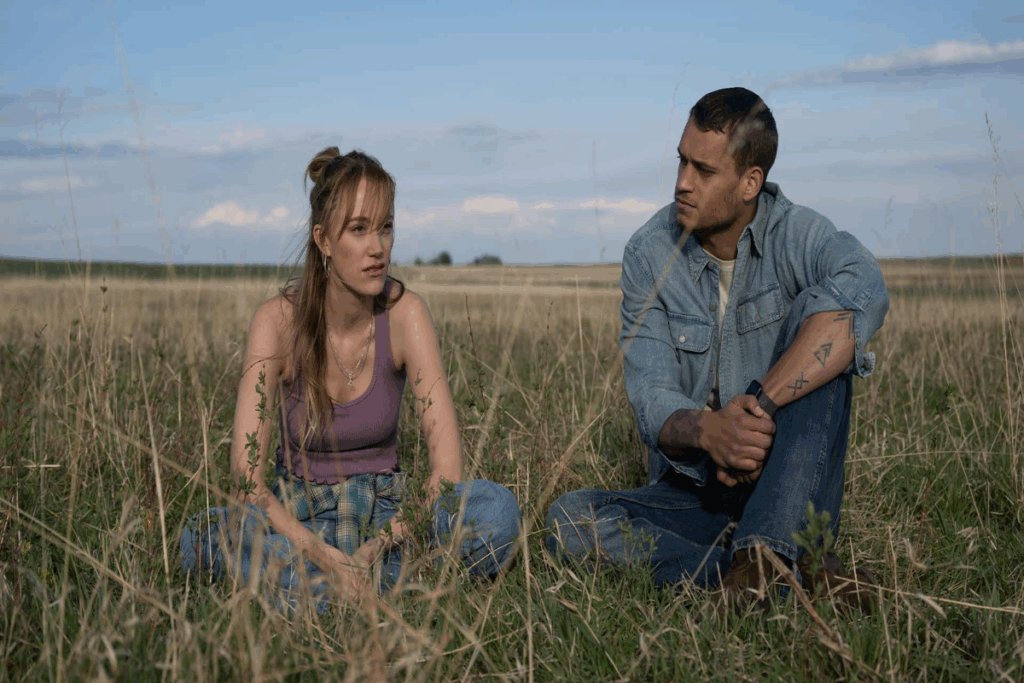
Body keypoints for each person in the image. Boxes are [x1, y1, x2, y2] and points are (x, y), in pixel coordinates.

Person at [545, 87, 889, 613]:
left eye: (703, 171)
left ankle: (764, 558)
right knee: (568, 521)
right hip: (697, 491)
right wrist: (711, 432)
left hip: (786, 481)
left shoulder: (797, 234)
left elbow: (865, 289)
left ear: (750, 182)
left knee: (823, 319)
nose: (682, 183)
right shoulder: (649, 252)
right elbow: (651, 398)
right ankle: (767, 576)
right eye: (681, 161)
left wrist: (755, 413)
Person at [180, 148, 520, 612]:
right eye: (359, 229)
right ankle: (379, 589)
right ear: (323, 239)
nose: (378, 247)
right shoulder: (275, 322)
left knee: (496, 510)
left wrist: (375, 547)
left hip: (390, 522)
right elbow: (247, 484)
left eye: (386, 227)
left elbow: (448, 474)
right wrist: (322, 554)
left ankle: (326, 593)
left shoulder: (406, 315)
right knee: (202, 534)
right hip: (299, 523)